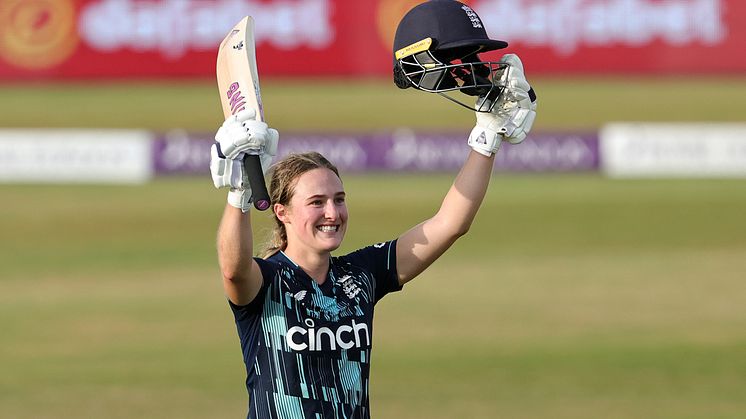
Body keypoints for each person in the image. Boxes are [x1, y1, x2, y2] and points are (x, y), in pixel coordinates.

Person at [208, 1, 537, 418]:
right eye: (316, 202)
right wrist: (238, 194)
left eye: (339, 199)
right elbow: (233, 270)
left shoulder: (360, 276)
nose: (333, 212)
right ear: (281, 212)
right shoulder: (265, 284)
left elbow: (450, 224)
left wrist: (487, 136)